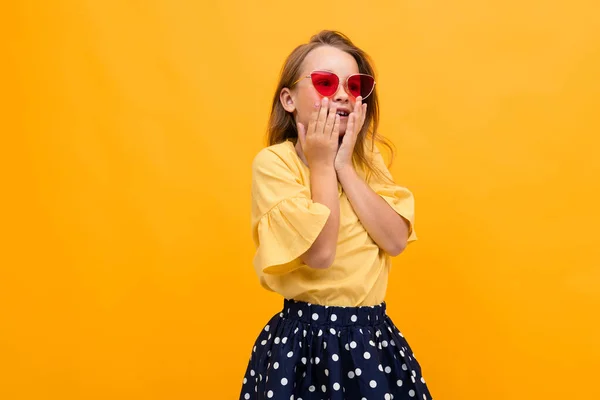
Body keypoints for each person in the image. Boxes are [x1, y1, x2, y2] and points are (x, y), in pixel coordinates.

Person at [239, 30, 433, 400]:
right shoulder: (275, 164)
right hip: (304, 345)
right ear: (289, 99)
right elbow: (320, 253)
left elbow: (394, 241)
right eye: (326, 83)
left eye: (355, 85)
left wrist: (344, 165)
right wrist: (322, 165)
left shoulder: (366, 160)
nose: (343, 94)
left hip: (371, 338)